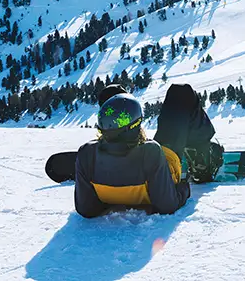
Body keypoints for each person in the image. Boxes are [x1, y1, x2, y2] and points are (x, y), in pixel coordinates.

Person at [74, 83, 222, 218]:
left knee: (112, 93)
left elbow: (86, 209)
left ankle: (114, 148)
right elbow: (167, 205)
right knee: (181, 91)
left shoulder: (87, 154)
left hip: (109, 164)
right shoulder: (151, 152)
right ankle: (202, 158)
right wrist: (184, 187)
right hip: (156, 165)